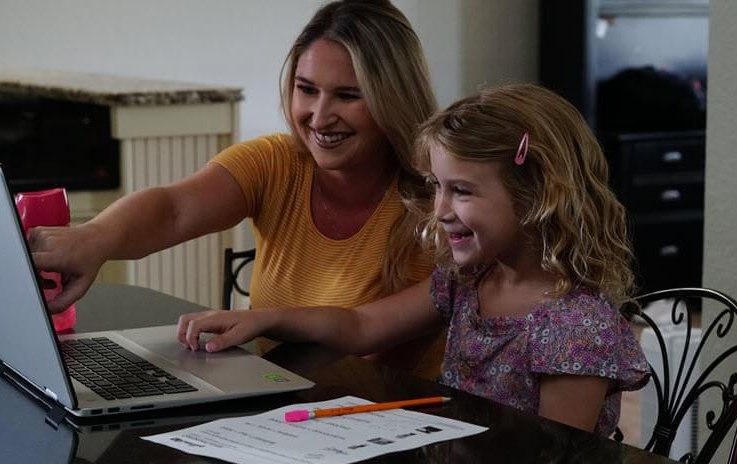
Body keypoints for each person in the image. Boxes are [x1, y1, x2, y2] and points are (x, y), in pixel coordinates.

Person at [177, 83, 651, 436]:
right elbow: (362, 326)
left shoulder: (574, 326)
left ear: (538, 195)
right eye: (436, 187)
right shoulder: (470, 280)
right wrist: (263, 318)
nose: (440, 211)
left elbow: (556, 458)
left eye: (461, 191)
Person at [27, 0, 444, 378]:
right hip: (280, 408)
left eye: (348, 96)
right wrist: (93, 240)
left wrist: (267, 326)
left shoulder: (441, 202)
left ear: (392, 96)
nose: (319, 116)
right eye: (306, 89)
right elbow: (172, 209)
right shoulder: (276, 162)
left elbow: (365, 344)